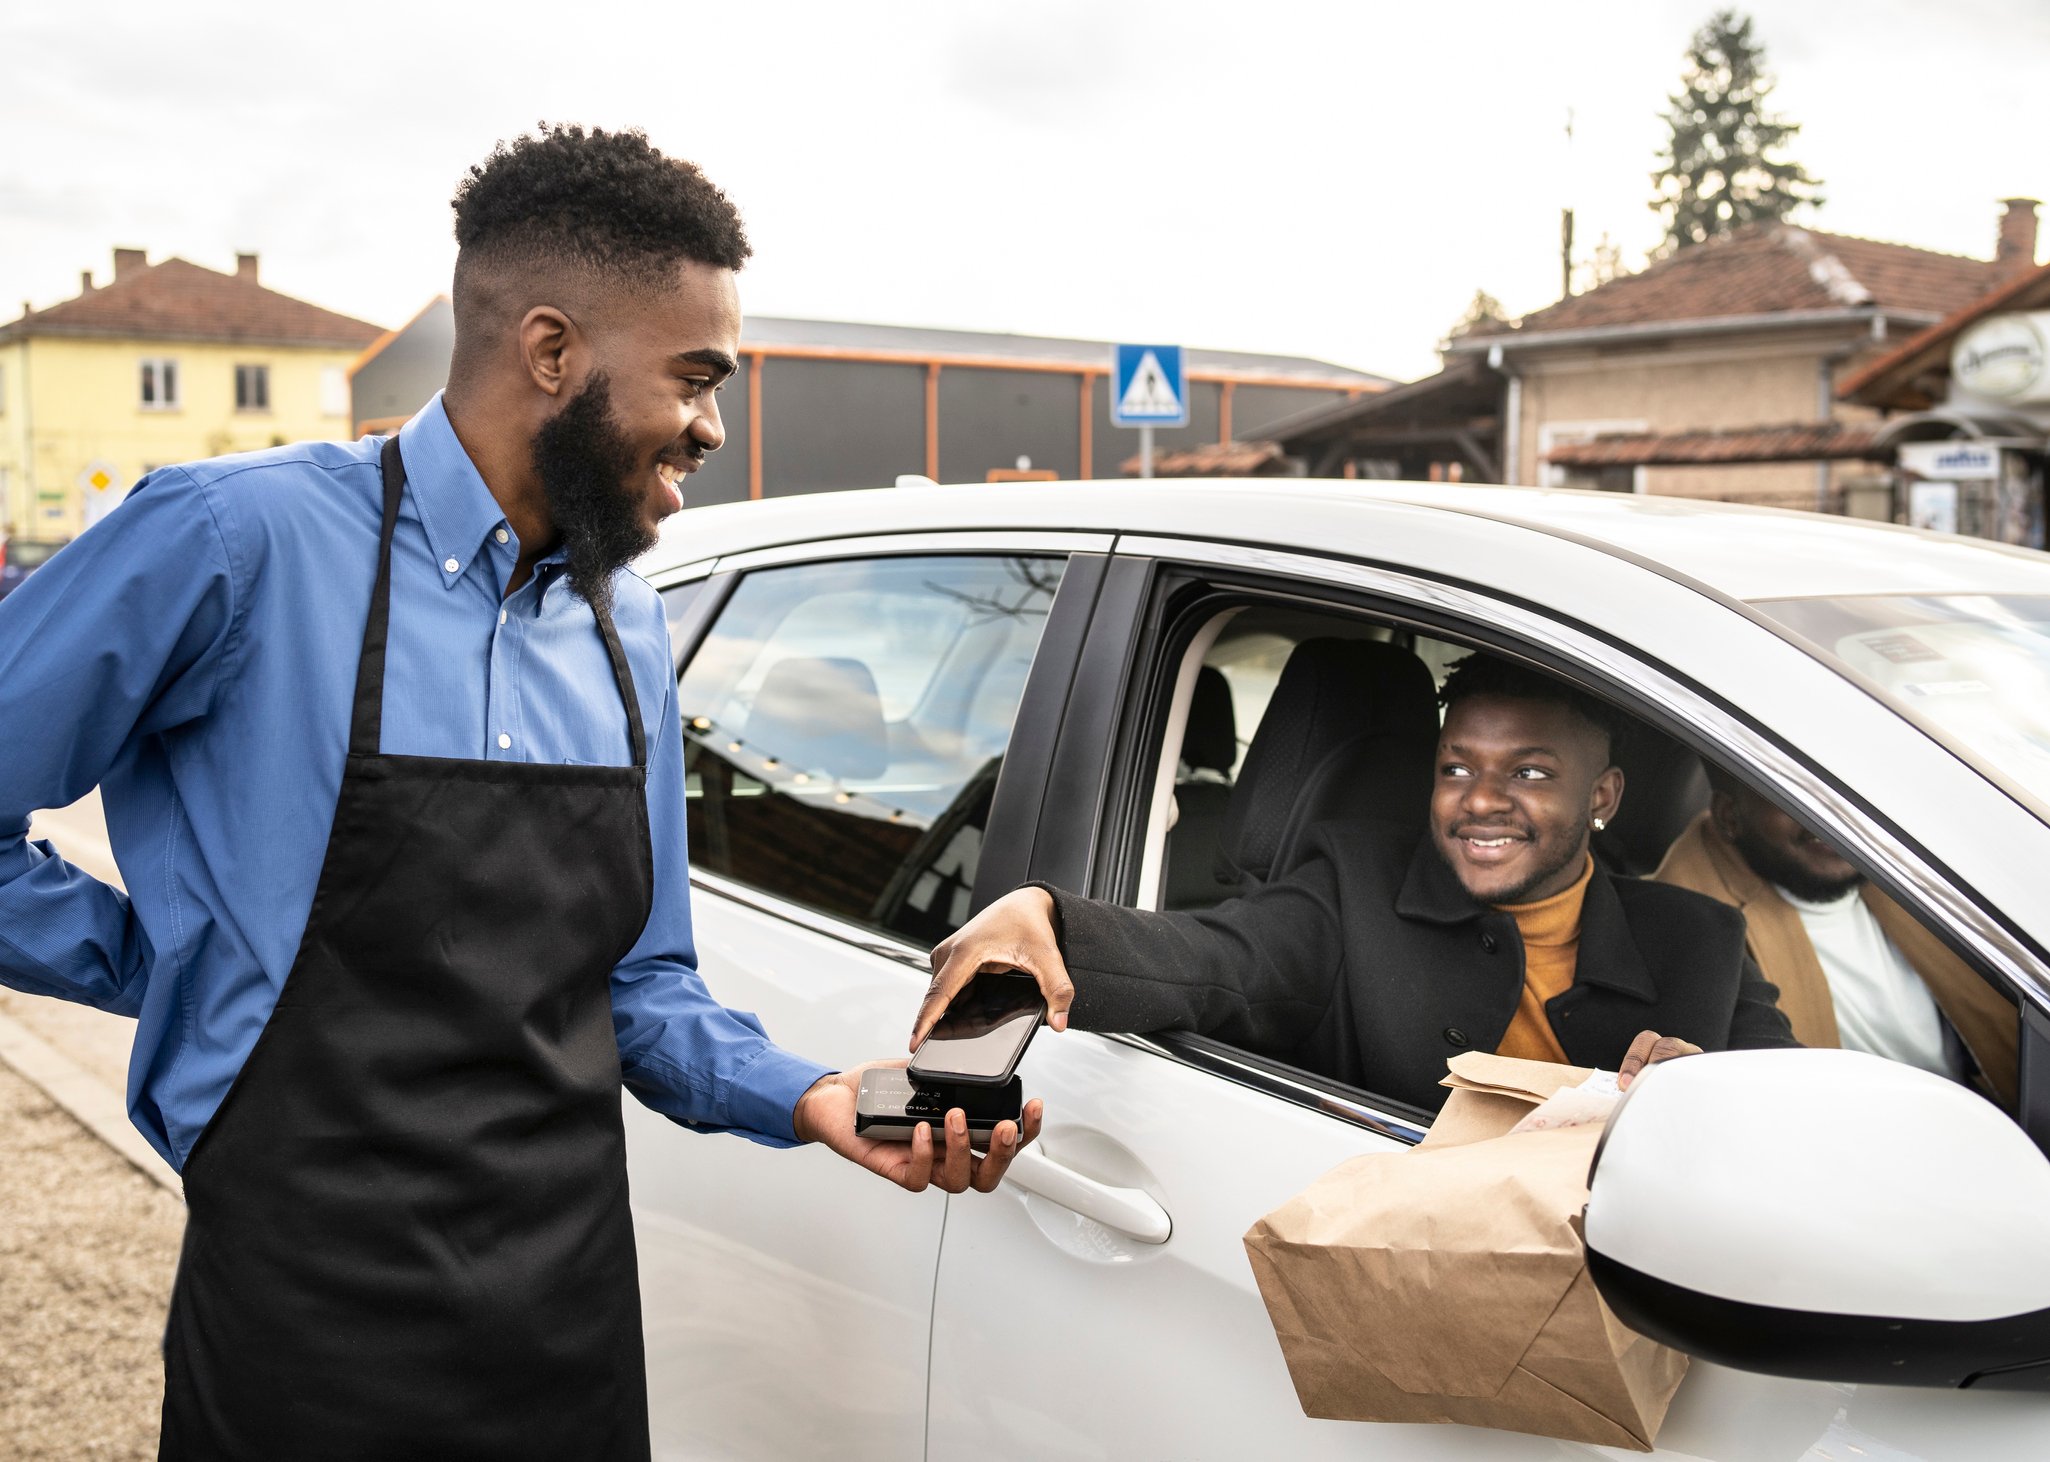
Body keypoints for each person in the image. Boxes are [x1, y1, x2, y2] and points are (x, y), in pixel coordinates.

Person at [0, 126, 1038, 1462]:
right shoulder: (230, 538)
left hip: (561, 1309)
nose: (714, 426)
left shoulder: (631, 633)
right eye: (694, 377)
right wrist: (172, 962)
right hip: (301, 1309)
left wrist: (816, 1093)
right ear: (552, 355)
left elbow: (641, 983)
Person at [916, 654, 1797, 1110]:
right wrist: (1047, 919)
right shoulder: (1354, 883)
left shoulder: (1704, 943)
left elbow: (1806, 1127)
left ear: (1602, 796)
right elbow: (1223, 957)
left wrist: (1711, 1101)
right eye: (1457, 768)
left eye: (1529, 774)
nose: (1480, 802)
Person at [1654, 767, 2017, 1105]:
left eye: (1841, 783)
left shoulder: (1929, 877)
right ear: (1730, 816)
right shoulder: (1688, 926)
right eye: (1792, 791)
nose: (1828, 813)